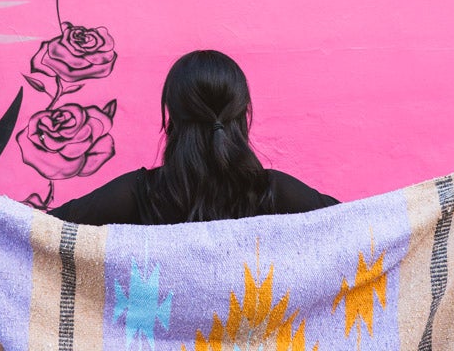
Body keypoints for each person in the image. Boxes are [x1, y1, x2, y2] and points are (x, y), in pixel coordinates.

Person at [50, 49, 337, 225]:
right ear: (242, 115)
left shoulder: (142, 194)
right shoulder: (273, 191)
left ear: (172, 118)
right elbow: (361, 227)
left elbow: (43, 230)